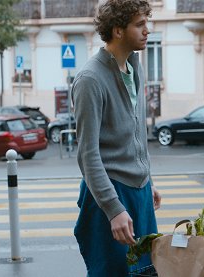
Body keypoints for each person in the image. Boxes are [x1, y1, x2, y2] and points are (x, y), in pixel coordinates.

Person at [71, 0, 161, 275]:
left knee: (147, 270)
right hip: (109, 193)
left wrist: (147, 179)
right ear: (118, 30)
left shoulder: (135, 68)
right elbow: (88, 155)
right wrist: (113, 209)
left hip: (139, 190)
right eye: (140, 24)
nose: (148, 30)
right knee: (113, 272)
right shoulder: (90, 79)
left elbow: (137, 135)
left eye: (147, 22)